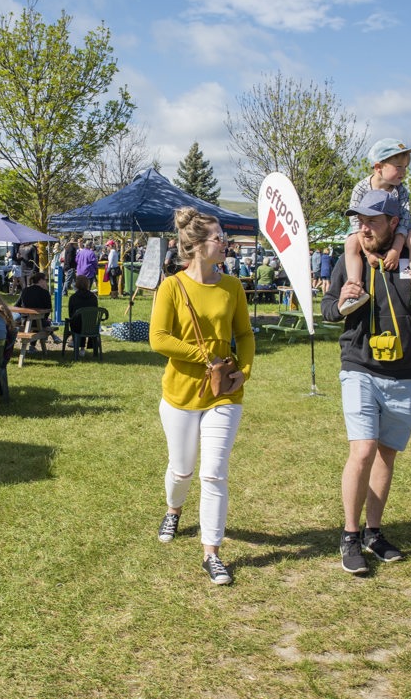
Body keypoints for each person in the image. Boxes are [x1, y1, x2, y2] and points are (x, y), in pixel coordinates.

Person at [321, 190, 411, 575]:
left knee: (386, 454)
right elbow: (329, 309)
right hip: (359, 365)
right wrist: (342, 299)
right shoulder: (351, 259)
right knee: (362, 450)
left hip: (407, 372)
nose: (364, 228)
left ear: (394, 223)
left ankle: (373, 532)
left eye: (373, 221)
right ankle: (349, 535)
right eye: (360, 221)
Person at [149, 208, 254, 586]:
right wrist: (202, 355)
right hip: (179, 394)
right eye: (218, 238)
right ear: (194, 247)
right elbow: (158, 338)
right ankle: (174, 510)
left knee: (213, 474)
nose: (225, 243)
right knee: (182, 470)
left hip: (224, 392)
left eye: (224, 237)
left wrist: (245, 369)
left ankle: (212, 553)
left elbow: (244, 335)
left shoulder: (233, 287)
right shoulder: (172, 287)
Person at [340, 139, 411, 315]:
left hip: (397, 231)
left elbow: (404, 220)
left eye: (405, 167)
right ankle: (354, 288)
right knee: (350, 243)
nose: (403, 172)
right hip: (364, 232)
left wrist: (396, 249)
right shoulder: (361, 188)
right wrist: (368, 252)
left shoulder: (401, 190)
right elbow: (356, 223)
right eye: (398, 167)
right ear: (378, 167)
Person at [66, 275, 99, 347]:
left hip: (77, 326)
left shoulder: (73, 297)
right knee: (83, 321)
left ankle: (79, 345)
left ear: (76, 284)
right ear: (88, 284)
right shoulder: (93, 297)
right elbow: (95, 311)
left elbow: (70, 314)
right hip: (90, 326)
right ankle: (88, 346)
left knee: (76, 321)